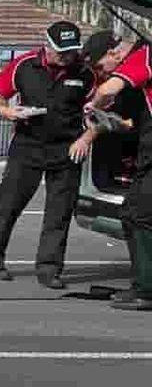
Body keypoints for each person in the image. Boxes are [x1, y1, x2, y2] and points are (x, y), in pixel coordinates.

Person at [0, 19, 92, 288]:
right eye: (62, 51)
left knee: (60, 211)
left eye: (72, 50)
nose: (67, 56)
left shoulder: (85, 73)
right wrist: (9, 112)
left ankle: (49, 268)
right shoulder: (24, 65)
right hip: (27, 145)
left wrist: (86, 138)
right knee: (8, 205)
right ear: (47, 46)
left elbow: (97, 111)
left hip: (67, 149)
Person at [78, 33, 152, 309]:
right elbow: (131, 124)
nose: (100, 74)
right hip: (147, 148)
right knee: (132, 212)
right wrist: (108, 121)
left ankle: (146, 290)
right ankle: (142, 284)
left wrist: (94, 105)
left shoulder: (144, 56)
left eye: (99, 67)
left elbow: (108, 90)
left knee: (140, 214)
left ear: (114, 53)